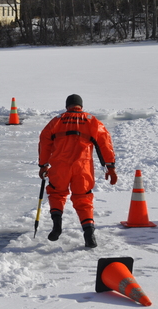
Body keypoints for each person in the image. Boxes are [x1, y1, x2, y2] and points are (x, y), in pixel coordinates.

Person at [38, 94, 117, 248]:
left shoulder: (56, 121)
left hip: (60, 166)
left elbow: (44, 141)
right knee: (84, 199)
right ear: (81, 106)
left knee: (56, 193)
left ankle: (57, 227)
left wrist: (43, 165)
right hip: (83, 167)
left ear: (67, 106)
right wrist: (111, 168)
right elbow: (105, 143)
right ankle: (89, 235)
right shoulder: (92, 121)